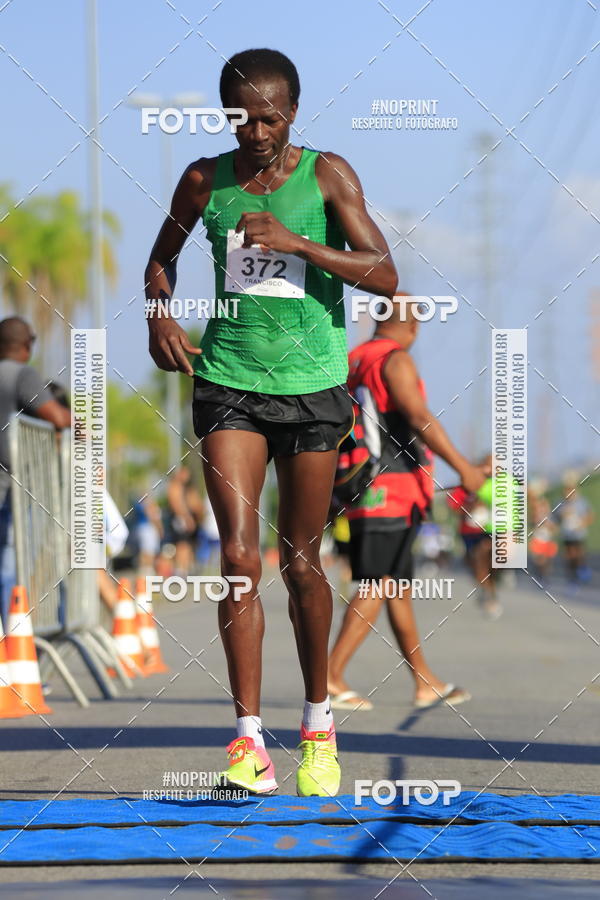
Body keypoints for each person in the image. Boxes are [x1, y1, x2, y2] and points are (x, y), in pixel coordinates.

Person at [145, 48, 397, 796]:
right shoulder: (203, 179)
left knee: (301, 563)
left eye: (269, 117)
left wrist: (298, 244)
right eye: (240, 117)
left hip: (313, 385)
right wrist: (159, 311)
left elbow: (384, 272)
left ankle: (318, 725)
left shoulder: (328, 175)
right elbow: (162, 258)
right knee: (238, 557)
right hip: (227, 382)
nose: (254, 131)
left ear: (293, 112)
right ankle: (248, 741)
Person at [327, 298, 488, 711]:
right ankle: (331, 675)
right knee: (378, 583)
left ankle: (423, 681)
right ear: (413, 328)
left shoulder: (351, 360)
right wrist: (465, 469)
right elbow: (418, 418)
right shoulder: (395, 361)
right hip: (393, 489)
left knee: (395, 587)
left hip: (360, 485)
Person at [0, 317, 71, 627]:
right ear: (27, 345)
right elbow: (55, 415)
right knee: (9, 567)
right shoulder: (21, 374)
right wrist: (79, 416)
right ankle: (13, 650)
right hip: (7, 490)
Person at [446, 454, 502, 619]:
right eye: (490, 464)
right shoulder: (470, 481)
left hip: (493, 530)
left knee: (493, 561)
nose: (493, 469)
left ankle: (489, 588)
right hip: (469, 531)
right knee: (476, 560)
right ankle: (487, 591)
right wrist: (470, 506)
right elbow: (453, 504)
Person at [554, 476, 594, 584]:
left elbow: (590, 516)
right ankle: (572, 576)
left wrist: (582, 523)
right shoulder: (559, 503)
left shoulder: (582, 502)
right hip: (566, 534)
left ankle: (582, 569)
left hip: (578, 534)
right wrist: (562, 516)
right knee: (569, 555)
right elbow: (555, 519)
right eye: (566, 491)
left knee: (579, 554)